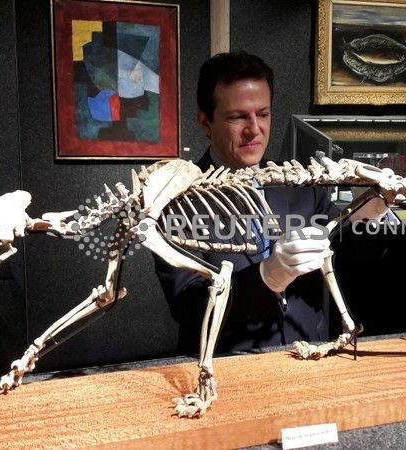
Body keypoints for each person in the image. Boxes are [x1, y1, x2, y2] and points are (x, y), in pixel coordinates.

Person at [155, 51, 384, 353]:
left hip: (310, 352)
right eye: (238, 117)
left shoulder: (300, 185)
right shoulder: (176, 201)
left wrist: (368, 216)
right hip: (229, 362)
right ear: (205, 122)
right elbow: (188, 305)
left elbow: (351, 257)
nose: (254, 129)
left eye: (263, 114)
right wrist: (266, 277)